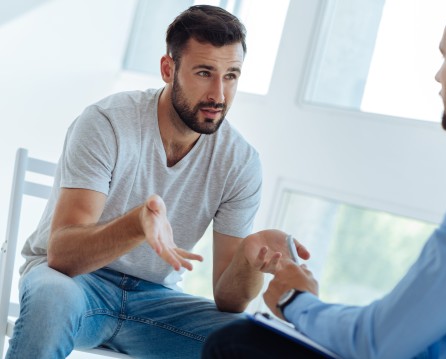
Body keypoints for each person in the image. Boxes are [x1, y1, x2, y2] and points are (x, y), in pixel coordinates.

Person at [202, 0, 446, 358]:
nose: (439, 76)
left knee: (237, 344)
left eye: (445, 56)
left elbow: (379, 341)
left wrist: (295, 299)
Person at [6, 5, 308, 359]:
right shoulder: (107, 123)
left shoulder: (241, 162)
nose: (219, 95)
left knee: (253, 339)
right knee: (51, 296)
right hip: (75, 284)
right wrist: (137, 224)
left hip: (155, 303)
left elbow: (229, 300)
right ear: (169, 69)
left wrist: (249, 258)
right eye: (204, 72)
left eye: (231, 75)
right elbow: (62, 255)